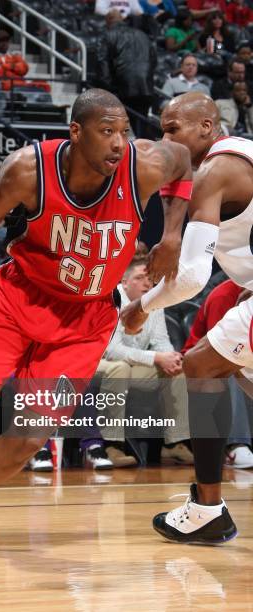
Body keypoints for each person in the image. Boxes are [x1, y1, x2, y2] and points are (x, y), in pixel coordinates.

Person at [0, 88, 193, 554]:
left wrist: (173, 235)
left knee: (28, 438)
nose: (118, 143)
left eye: (124, 132)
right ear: (76, 132)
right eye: (106, 131)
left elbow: (185, 160)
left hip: (85, 320)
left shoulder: (145, 165)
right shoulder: (29, 168)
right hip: (19, 299)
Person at [121, 90, 253, 544]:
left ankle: (207, 508)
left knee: (200, 365)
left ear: (207, 127)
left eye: (173, 128)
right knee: (227, 367)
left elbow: (192, 278)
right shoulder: (241, 154)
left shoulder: (214, 172)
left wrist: (137, 309)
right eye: (161, 129)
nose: (165, 138)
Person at [97, 256, 192, 464]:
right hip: (101, 363)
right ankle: (113, 447)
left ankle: (174, 444)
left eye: (149, 278)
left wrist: (171, 357)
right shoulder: (111, 300)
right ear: (124, 282)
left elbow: (161, 342)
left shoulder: (154, 302)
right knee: (120, 368)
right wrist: (157, 357)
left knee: (176, 372)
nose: (147, 283)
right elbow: (113, 351)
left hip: (135, 366)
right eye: (140, 278)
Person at [182, 279, 253, 469]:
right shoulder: (222, 297)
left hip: (240, 352)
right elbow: (222, 351)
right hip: (205, 361)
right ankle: (236, 446)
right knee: (228, 374)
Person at [96, 10, 156, 136]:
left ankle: (132, 153)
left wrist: (108, 87)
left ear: (109, 20)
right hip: (145, 86)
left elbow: (102, 62)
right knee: (141, 123)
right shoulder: (142, 35)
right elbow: (154, 60)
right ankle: (145, 151)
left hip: (123, 86)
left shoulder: (108, 34)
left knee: (120, 126)